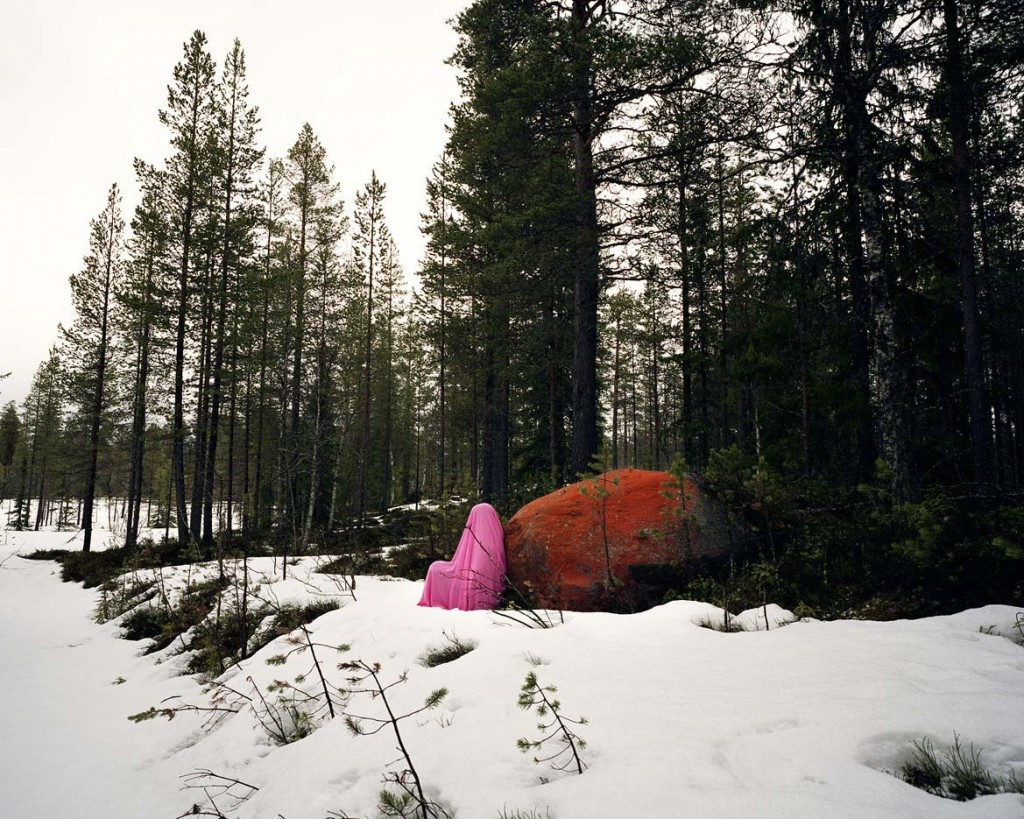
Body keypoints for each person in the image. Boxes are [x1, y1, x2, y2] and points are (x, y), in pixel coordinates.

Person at [418, 502, 506, 610]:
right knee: (435, 567)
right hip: (468, 575)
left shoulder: (489, 544)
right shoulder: (495, 541)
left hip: (472, 581)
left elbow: (478, 570)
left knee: (435, 568)